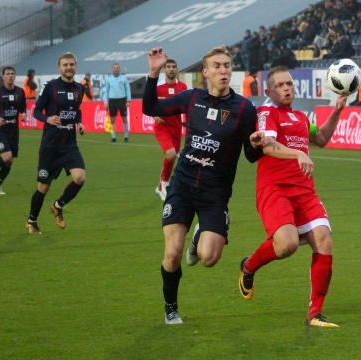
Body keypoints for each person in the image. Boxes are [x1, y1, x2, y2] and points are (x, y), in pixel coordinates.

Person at [143, 46, 265, 325]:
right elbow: (150, 108)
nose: (224, 71)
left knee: (208, 258)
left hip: (215, 193)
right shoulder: (191, 98)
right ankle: (171, 308)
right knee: (172, 253)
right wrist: (153, 73)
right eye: (217, 66)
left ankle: (200, 236)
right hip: (183, 185)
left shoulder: (244, 108)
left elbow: (250, 155)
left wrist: (257, 145)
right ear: (205, 72)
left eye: (227, 66)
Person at [237, 66, 347, 328]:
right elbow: (268, 146)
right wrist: (299, 154)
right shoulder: (267, 113)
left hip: (305, 192)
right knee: (286, 245)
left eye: (289, 84)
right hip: (274, 189)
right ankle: (248, 267)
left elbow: (320, 138)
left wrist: (337, 110)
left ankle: (315, 313)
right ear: (268, 92)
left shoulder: (299, 117)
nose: (287, 88)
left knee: (324, 240)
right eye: (280, 85)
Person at [25, 52, 86, 235]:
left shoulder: (79, 88)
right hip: (51, 145)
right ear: (59, 68)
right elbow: (36, 112)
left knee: (80, 178)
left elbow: (76, 111)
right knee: (44, 187)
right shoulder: (51, 87)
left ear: (75, 67)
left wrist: (79, 122)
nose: (69, 68)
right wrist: (47, 119)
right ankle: (32, 221)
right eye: (65, 65)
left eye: (72, 64)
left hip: (69, 144)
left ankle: (58, 206)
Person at [0, 66, 27, 195]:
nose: (10, 76)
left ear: (15, 76)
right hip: (0, 129)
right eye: (7, 74)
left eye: (12, 73)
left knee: (10, 160)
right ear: (3, 77)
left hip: (13, 129)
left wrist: (24, 113)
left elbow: (23, 106)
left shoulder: (20, 92)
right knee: (6, 156)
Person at [152, 58, 187, 201]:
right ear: (164, 70)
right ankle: (163, 183)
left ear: (177, 69)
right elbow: (149, 104)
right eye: (168, 67)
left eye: (174, 67)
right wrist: (154, 115)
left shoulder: (183, 87)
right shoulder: (157, 87)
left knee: (172, 157)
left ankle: (161, 184)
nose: (171, 69)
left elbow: (187, 106)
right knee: (171, 154)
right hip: (162, 127)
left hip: (176, 127)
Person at [104, 63, 131, 143]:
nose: (116, 69)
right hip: (112, 100)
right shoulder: (109, 79)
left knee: (124, 118)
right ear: (112, 69)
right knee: (112, 119)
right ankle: (113, 137)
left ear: (119, 69)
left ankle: (126, 136)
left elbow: (128, 89)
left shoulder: (123, 78)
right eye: (114, 68)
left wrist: (128, 100)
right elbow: (106, 91)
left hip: (122, 100)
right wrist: (106, 102)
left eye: (117, 68)